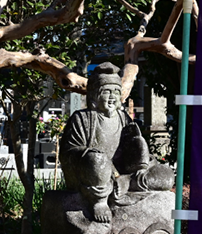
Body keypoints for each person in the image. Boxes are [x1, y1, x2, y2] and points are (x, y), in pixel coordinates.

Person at [60, 62, 174, 223]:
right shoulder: (83, 118)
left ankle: (126, 184)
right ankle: (99, 202)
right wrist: (96, 158)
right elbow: (69, 153)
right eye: (107, 91)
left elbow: (133, 151)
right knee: (96, 160)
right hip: (97, 178)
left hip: (125, 176)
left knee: (166, 176)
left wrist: (141, 159)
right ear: (94, 94)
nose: (112, 97)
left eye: (116, 91)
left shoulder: (123, 118)